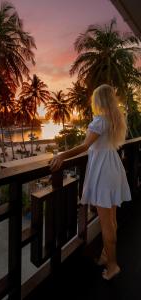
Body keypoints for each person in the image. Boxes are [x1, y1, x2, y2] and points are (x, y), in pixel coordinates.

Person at [49, 84, 131, 280]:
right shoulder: (113, 120)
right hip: (112, 168)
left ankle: (112, 266)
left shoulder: (100, 121)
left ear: (99, 100)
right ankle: (106, 255)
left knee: (107, 224)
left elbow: (85, 146)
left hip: (103, 172)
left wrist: (62, 154)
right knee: (111, 220)